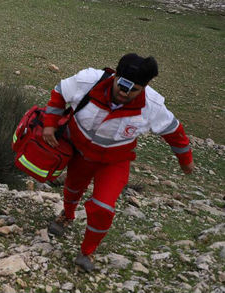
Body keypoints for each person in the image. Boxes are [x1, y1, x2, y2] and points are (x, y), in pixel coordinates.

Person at [42, 53, 193, 272]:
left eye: (134, 90)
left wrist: (186, 161)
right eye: (122, 85)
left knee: (103, 207)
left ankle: (87, 252)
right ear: (115, 76)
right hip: (80, 153)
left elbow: (174, 132)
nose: (125, 93)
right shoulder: (88, 80)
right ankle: (67, 215)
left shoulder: (152, 106)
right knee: (73, 188)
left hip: (114, 162)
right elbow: (59, 93)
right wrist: (49, 124)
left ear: (144, 88)